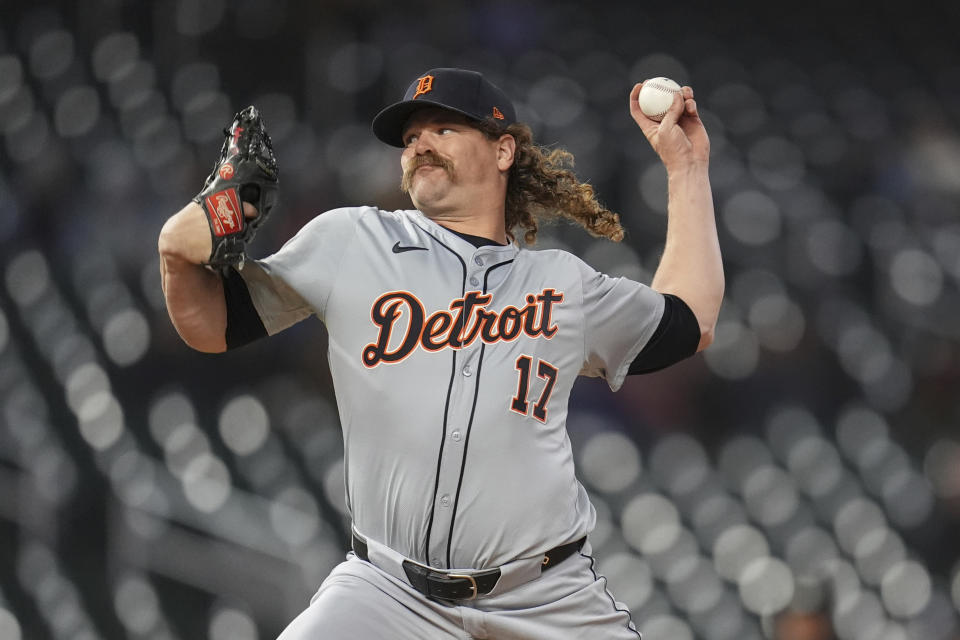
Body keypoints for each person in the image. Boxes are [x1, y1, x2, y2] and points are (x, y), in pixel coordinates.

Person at [158, 67, 723, 639]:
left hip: (547, 601)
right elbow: (213, 325)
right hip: (386, 593)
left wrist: (686, 166)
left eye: (442, 128)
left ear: (503, 150)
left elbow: (690, 320)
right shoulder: (352, 241)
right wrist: (177, 254)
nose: (419, 143)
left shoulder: (562, 284)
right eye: (409, 138)